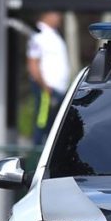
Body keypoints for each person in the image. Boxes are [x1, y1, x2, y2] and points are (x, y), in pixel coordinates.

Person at [27, 11, 71, 145]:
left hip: (57, 89)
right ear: (47, 15)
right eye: (56, 14)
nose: (59, 17)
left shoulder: (54, 34)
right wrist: (45, 87)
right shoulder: (38, 35)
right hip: (46, 89)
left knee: (55, 125)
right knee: (42, 122)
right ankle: (36, 153)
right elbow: (33, 64)